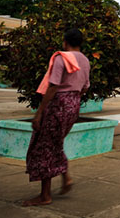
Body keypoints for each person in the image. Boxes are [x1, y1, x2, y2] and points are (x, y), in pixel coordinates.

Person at [22, 28, 90, 207]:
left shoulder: (62, 58)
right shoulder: (85, 60)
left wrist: (38, 114)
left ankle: (45, 195)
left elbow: (52, 87)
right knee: (55, 143)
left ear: (65, 42)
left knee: (44, 146)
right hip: (73, 104)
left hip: (58, 103)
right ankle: (65, 176)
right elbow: (85, 87)